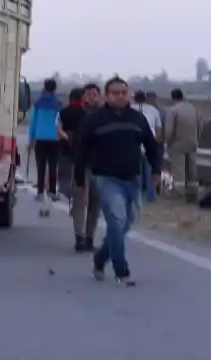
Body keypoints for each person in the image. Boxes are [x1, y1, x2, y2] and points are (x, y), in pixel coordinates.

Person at [75, 77, 160, 286]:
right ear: (107, 95)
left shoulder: (137, 119)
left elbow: (151, 145)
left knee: (125, 223)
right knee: (116, 220)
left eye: (124, 92)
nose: (120, 96)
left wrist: (156, 169)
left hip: (132, 179)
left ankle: (100, 258)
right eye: (115, 93)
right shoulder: (94, 120)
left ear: (128, 93)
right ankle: (121, 270)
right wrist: (79, 178)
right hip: (105, 179)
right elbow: (81, 151)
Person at [68, 82, 101, 251]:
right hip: (82, 163)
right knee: (80, 201)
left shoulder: (105, 116)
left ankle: (90, 237)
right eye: (88, 94)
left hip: (101, 166)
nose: (91, 97)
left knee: (96, 203)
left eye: (95, 94)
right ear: (82, 97)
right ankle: (79, 237)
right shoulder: (75, 114)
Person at [28, 78, 62, 202]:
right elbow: (60, 122)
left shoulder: (38, 102)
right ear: (55, 88)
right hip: (54, 138)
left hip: (40, 138)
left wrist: (31, 139)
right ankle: (52, 191)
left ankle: (40, 192)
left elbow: (33, 122)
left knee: (41, 166)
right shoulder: (58, 103)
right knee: (53, 166)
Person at [164, 88, 200, 201]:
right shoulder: (193, 108)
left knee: (179, 169)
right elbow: (200, 125)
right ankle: (193, 193)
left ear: (172, 98)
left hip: (177, 143)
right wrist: (196, 138)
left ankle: (179, 194)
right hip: (192, 142)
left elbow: (169, 130)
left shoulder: (173, 110)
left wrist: (168, 142)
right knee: (192, 169)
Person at [132, 90, 163, 202]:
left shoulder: (130, 109)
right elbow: (158, 129)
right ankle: (151, 195)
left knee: (137, 172)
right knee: (151, 170)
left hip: (134, 145)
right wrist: (157, 144)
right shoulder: (153, 110)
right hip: (150, 144)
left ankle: (138, 195)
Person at [55, 88, 84, 201]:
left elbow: (57, 128)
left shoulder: (63, 111)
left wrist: (66, 137)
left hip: (65, 144)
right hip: (81, 146)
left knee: (64, 169)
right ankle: (76, 193)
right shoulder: (85, 113)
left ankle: (65, 193)